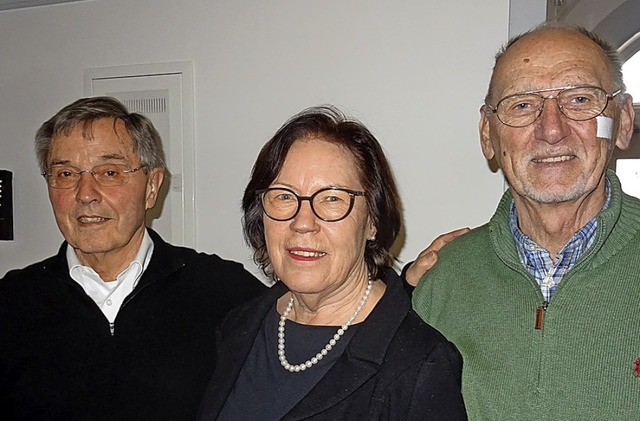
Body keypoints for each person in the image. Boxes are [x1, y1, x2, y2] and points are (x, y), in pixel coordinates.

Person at [411, 24, 638, 420]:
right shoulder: (438, 287)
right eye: (521, 105)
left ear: (622, 122)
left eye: (580, 99)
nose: (551, 129)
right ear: (488, 134)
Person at [0, 96, 266, 421]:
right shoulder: (12, 302)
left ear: (152, 187)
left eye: (109, 172)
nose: (85, 193)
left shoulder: (225, 293)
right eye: (66, 174)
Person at [197, 106, 467, 420]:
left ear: (372, 222)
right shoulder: (238, 327)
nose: (303, 223)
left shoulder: (420, 365)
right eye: (284, 196)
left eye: (332, 198)